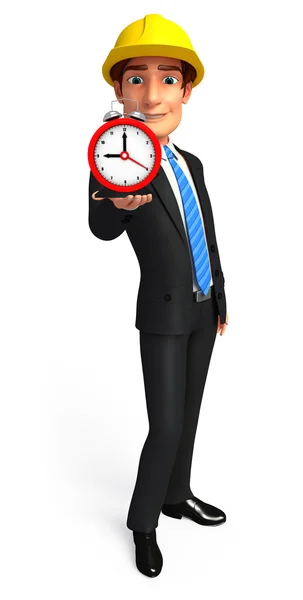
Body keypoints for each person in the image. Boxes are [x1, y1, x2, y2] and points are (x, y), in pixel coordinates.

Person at [88, 14, 229, 578]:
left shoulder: (191, 163)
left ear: (186, 91)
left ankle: (177, 494)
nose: (152, 94)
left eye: (167, 80)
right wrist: (116, 206)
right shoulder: (116, 157)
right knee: (165, 424)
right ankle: (143, 523)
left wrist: (221, 298)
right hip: (164, 315)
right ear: (119, 91)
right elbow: (101, 222)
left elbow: (207, 230)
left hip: (202, 307)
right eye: (136, 80)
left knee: (190, 415)